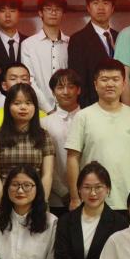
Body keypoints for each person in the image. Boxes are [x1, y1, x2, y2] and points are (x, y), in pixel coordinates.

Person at [65, 59, 130, 215]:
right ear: (95, 84)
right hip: (91, 200)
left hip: (127, 200)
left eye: (115, 79)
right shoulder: (83, 116)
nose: (110, 84)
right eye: (104, 79)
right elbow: (72, 158)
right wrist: (75, 197)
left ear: (124, 84)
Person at [0, 83, 54, 207]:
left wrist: (40, 204)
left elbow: (47, 175)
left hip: (36, 202)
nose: (23, 107)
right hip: (5, 199)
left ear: (35, 107)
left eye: (28, 103)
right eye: (17, 103)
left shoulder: (44, 136)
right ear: (8, 107)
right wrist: (3, 205)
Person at [69, 0, 119, 108]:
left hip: (119, 105)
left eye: (105, 3)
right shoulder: (78, 40)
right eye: (95, 3)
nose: (101, 8)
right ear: (88, 7)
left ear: (112, 8)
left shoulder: (119, 37)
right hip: (93, 107)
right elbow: (78, 80)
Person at [20, 0, 70, 112]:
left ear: (63, 13)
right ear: (40, 12)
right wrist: (48, 108)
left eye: (57, 9)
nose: (53, 13)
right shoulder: (28, 44)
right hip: (38, 110)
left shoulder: (70, 43)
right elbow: (29, 79)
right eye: (48, 9)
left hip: (68, 108)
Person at [41, 69, 82, 215]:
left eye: (71, 87)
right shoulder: (44, 123)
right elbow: (44, 162)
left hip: (89, 194)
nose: (66, 92)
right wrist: (63, 191)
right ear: (53, 92)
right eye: (60, 87)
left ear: (79, 90)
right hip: (56, 198)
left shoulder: (90, 118)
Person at [0, 62, 46, 138]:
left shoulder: (43, 117)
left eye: (24, 79)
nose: (19, 82)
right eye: (13, 79)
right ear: (4, 85)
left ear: (30, 84)